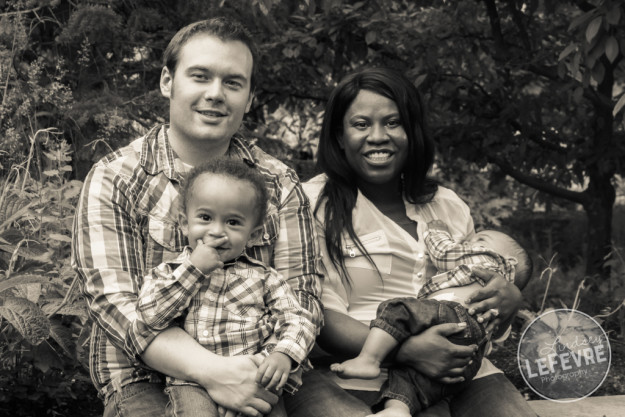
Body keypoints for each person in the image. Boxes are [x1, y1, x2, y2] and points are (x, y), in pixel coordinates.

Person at [71, 17, 323, 417]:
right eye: (200, 76)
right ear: (167, 82)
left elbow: (302, 296)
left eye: (233, 83)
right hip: (146, 380)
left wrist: (270, 361)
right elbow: (115, 305)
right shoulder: (116, 177)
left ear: (250, 97)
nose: (216, 94)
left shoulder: (278, 183)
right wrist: (214, 372)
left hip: (266, 372)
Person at [292, 67, 537, 417]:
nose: (378, 136)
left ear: (413, 131)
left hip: (457, 376)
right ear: (339, 136)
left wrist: (507, 301)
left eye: (393, 123)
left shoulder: (446, 204)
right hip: (347, 373)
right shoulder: (312, 204)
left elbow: (472, 291)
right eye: (361, 124)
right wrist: (406, 349)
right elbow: (319, 315)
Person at [136, 159, 316, 417]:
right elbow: (149, 317)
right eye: (205, 217)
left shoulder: (264, 278)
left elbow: (298, 318)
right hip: (192, 382)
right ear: (185, 223)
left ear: (253, 235)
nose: (217, 231)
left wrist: (283, 354)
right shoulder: (168, 273)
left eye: (233, 222)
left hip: (255, 377)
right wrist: (194, 270)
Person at [329, 220, 533, 416]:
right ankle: (397, 410)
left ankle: (369, 359)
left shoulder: (489, 259)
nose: (469, 243)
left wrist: (435, 232)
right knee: (414, 379)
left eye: (481, 240)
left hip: (451, 313)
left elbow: (445, 253)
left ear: (510, 262)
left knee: (398, 308)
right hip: (469, 355)